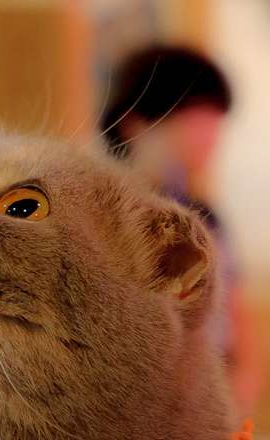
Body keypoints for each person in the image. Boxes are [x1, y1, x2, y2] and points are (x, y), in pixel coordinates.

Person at [101, 45, 261, 416]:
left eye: (216, 120)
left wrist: (238, 391)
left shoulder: (209, 218)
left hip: (212, 406)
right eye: (192, 116)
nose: (210, 134)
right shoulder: (105, 218)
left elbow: (240, 325)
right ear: (134, 123)